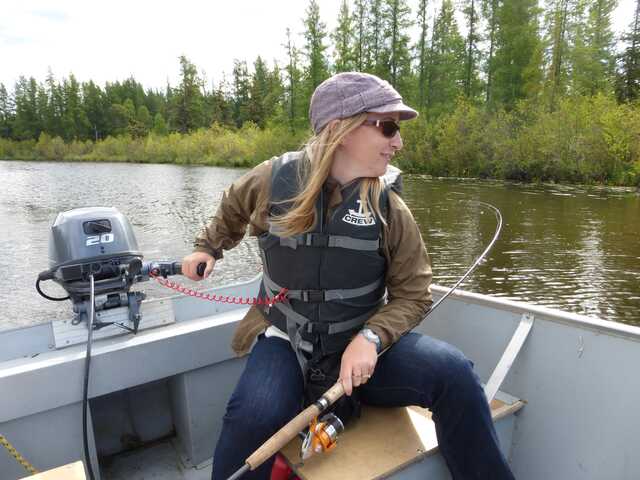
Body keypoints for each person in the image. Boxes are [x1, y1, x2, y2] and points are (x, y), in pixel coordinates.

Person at [182, 72, 515, 480]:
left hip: (362, 352)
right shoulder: (271, 180)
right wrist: (208, 246)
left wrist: (371, 338)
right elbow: (234, 206)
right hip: (285, 340)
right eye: (388, 127)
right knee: (251, 418)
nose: (399, 142)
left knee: (456, 375)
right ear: (343, 129)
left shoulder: (388, 206)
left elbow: (414, 293)